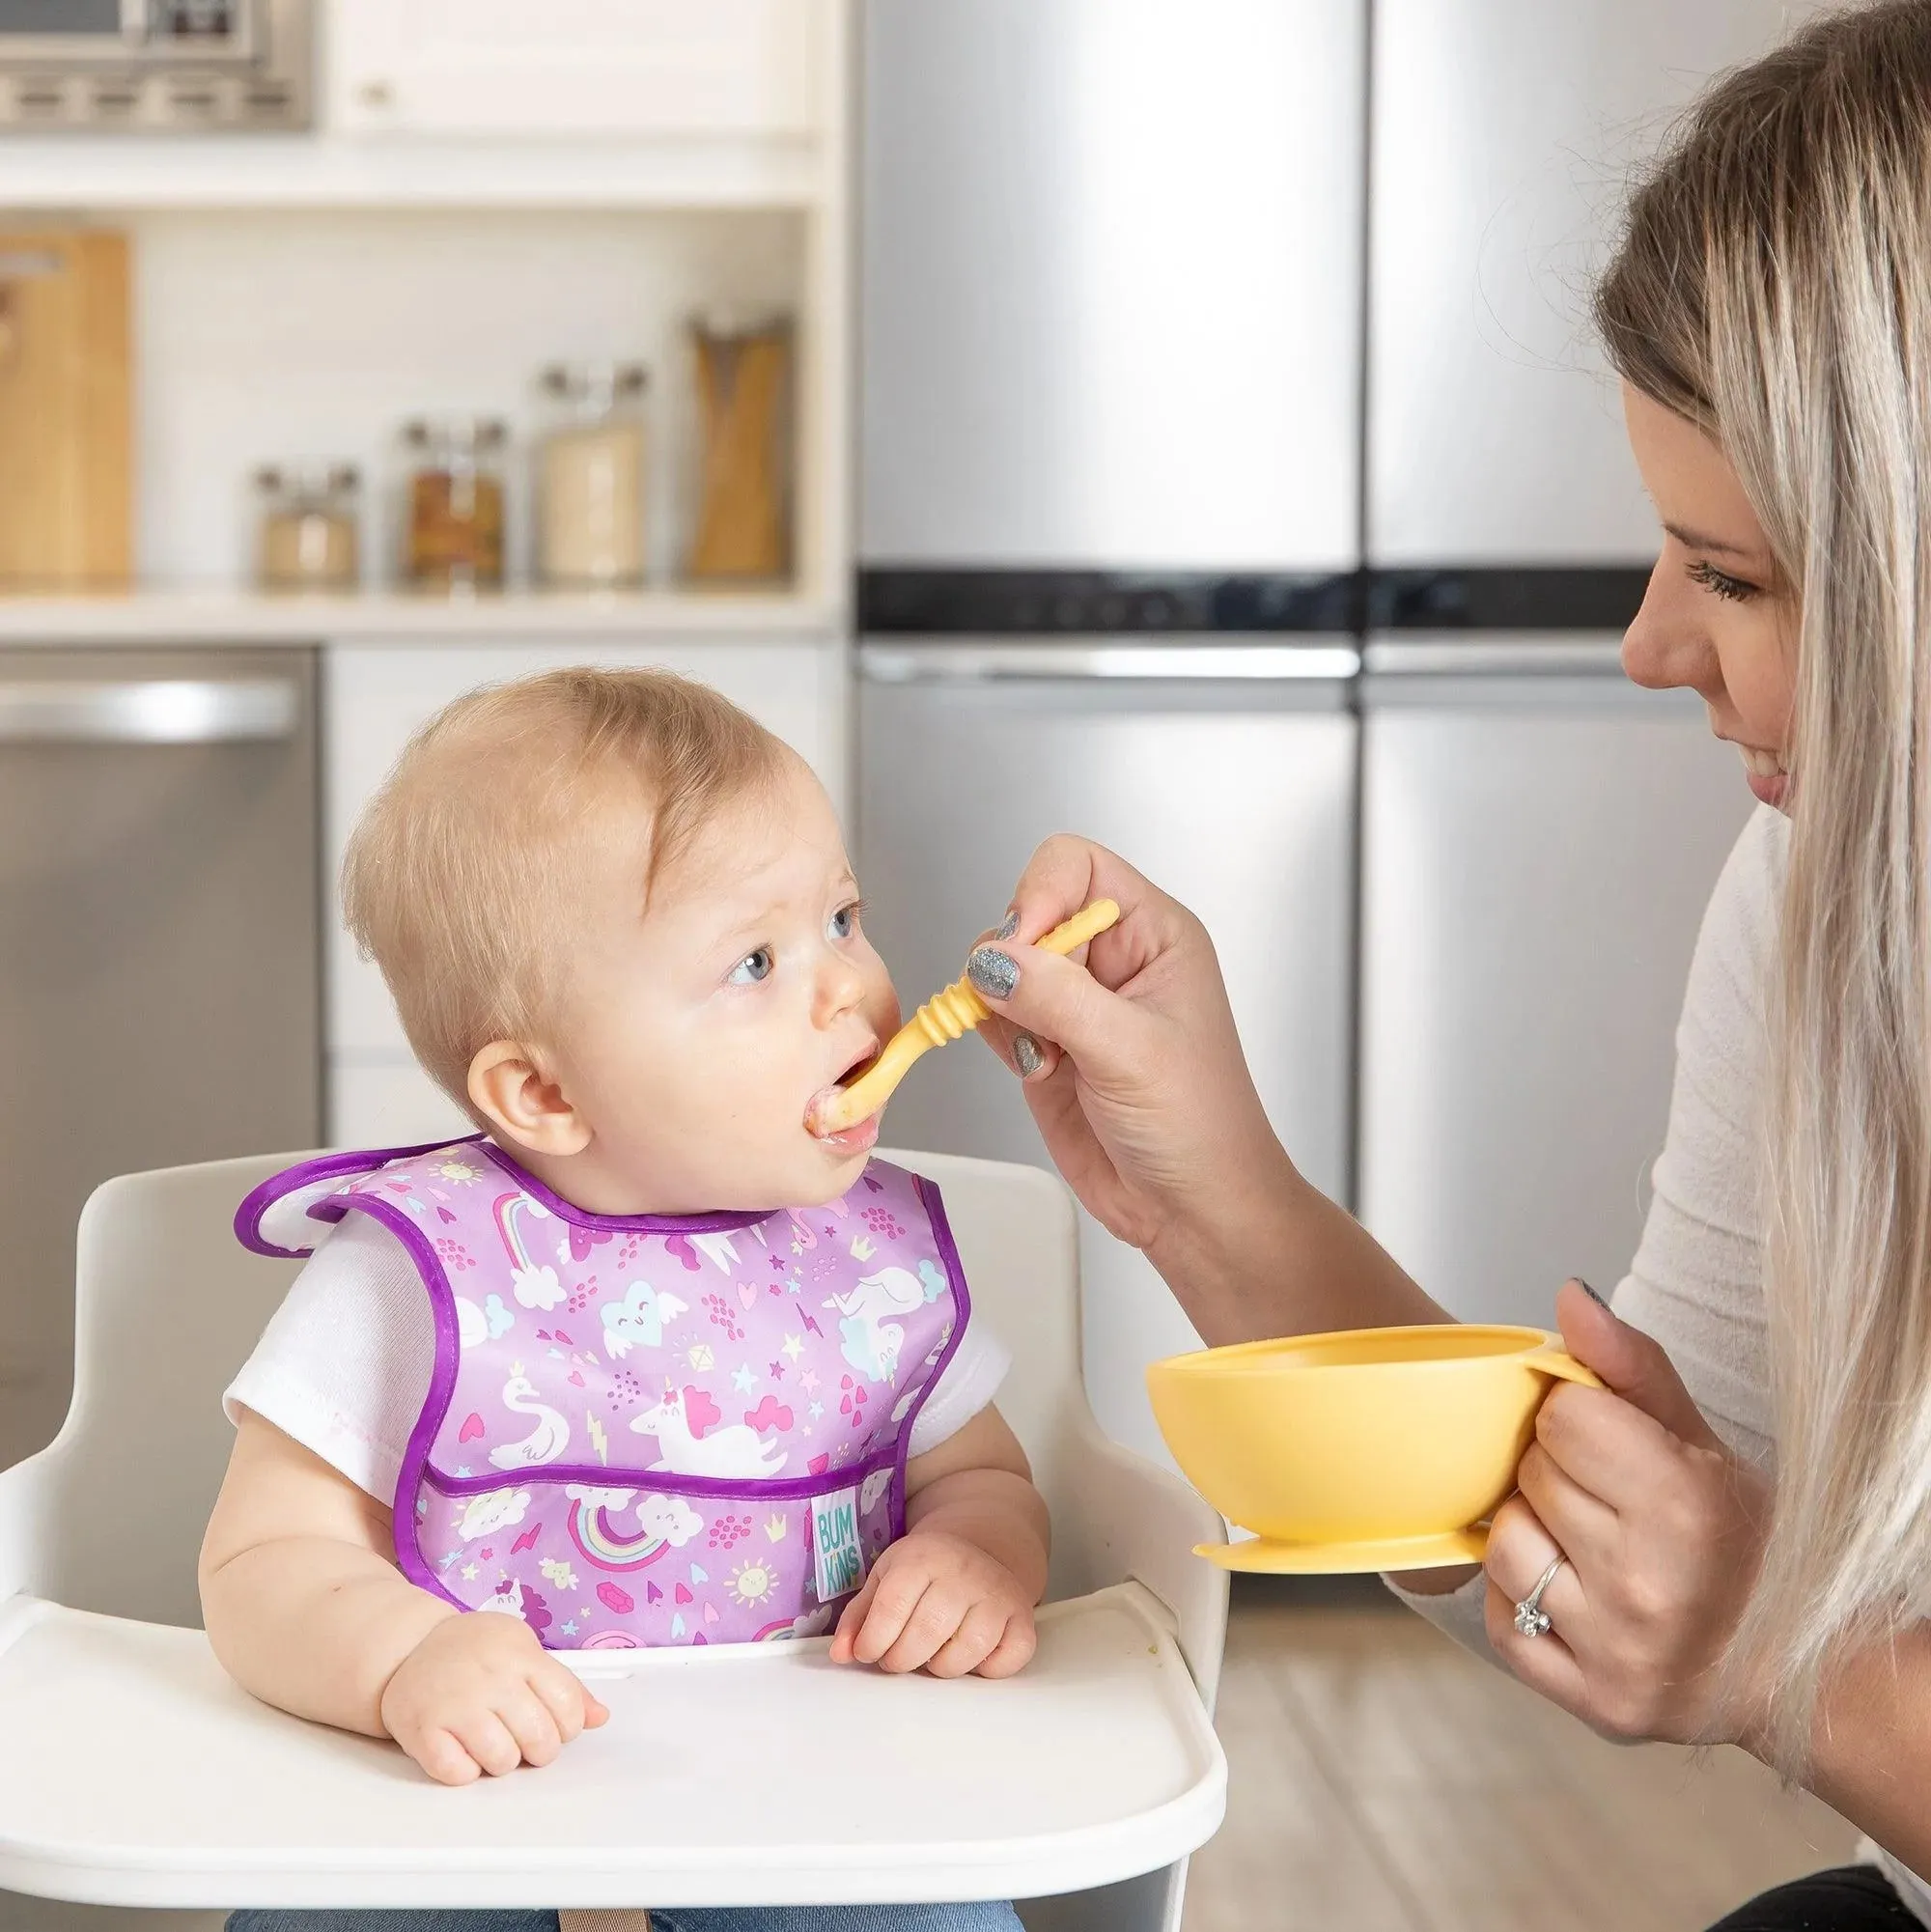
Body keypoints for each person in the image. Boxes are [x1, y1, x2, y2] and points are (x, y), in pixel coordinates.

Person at [956, 6, 1931, 1926]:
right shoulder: (1811, 900)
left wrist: (1776, 1671)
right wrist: (1205, 1185)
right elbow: (1612, 1559)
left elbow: (1730, 1636)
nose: (1650, 646)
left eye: (1730, 576)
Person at [201, 667, 1047, 1932]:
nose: (847, 989)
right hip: (466, 1784)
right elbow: (263, 1562)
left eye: (843, 918)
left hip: (826, 1789)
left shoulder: (869, 1262)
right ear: (543, 1094)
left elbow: (986, 1480)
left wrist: (976, 1561)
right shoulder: (421, 1275)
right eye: (756, 960)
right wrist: (400, 1664)